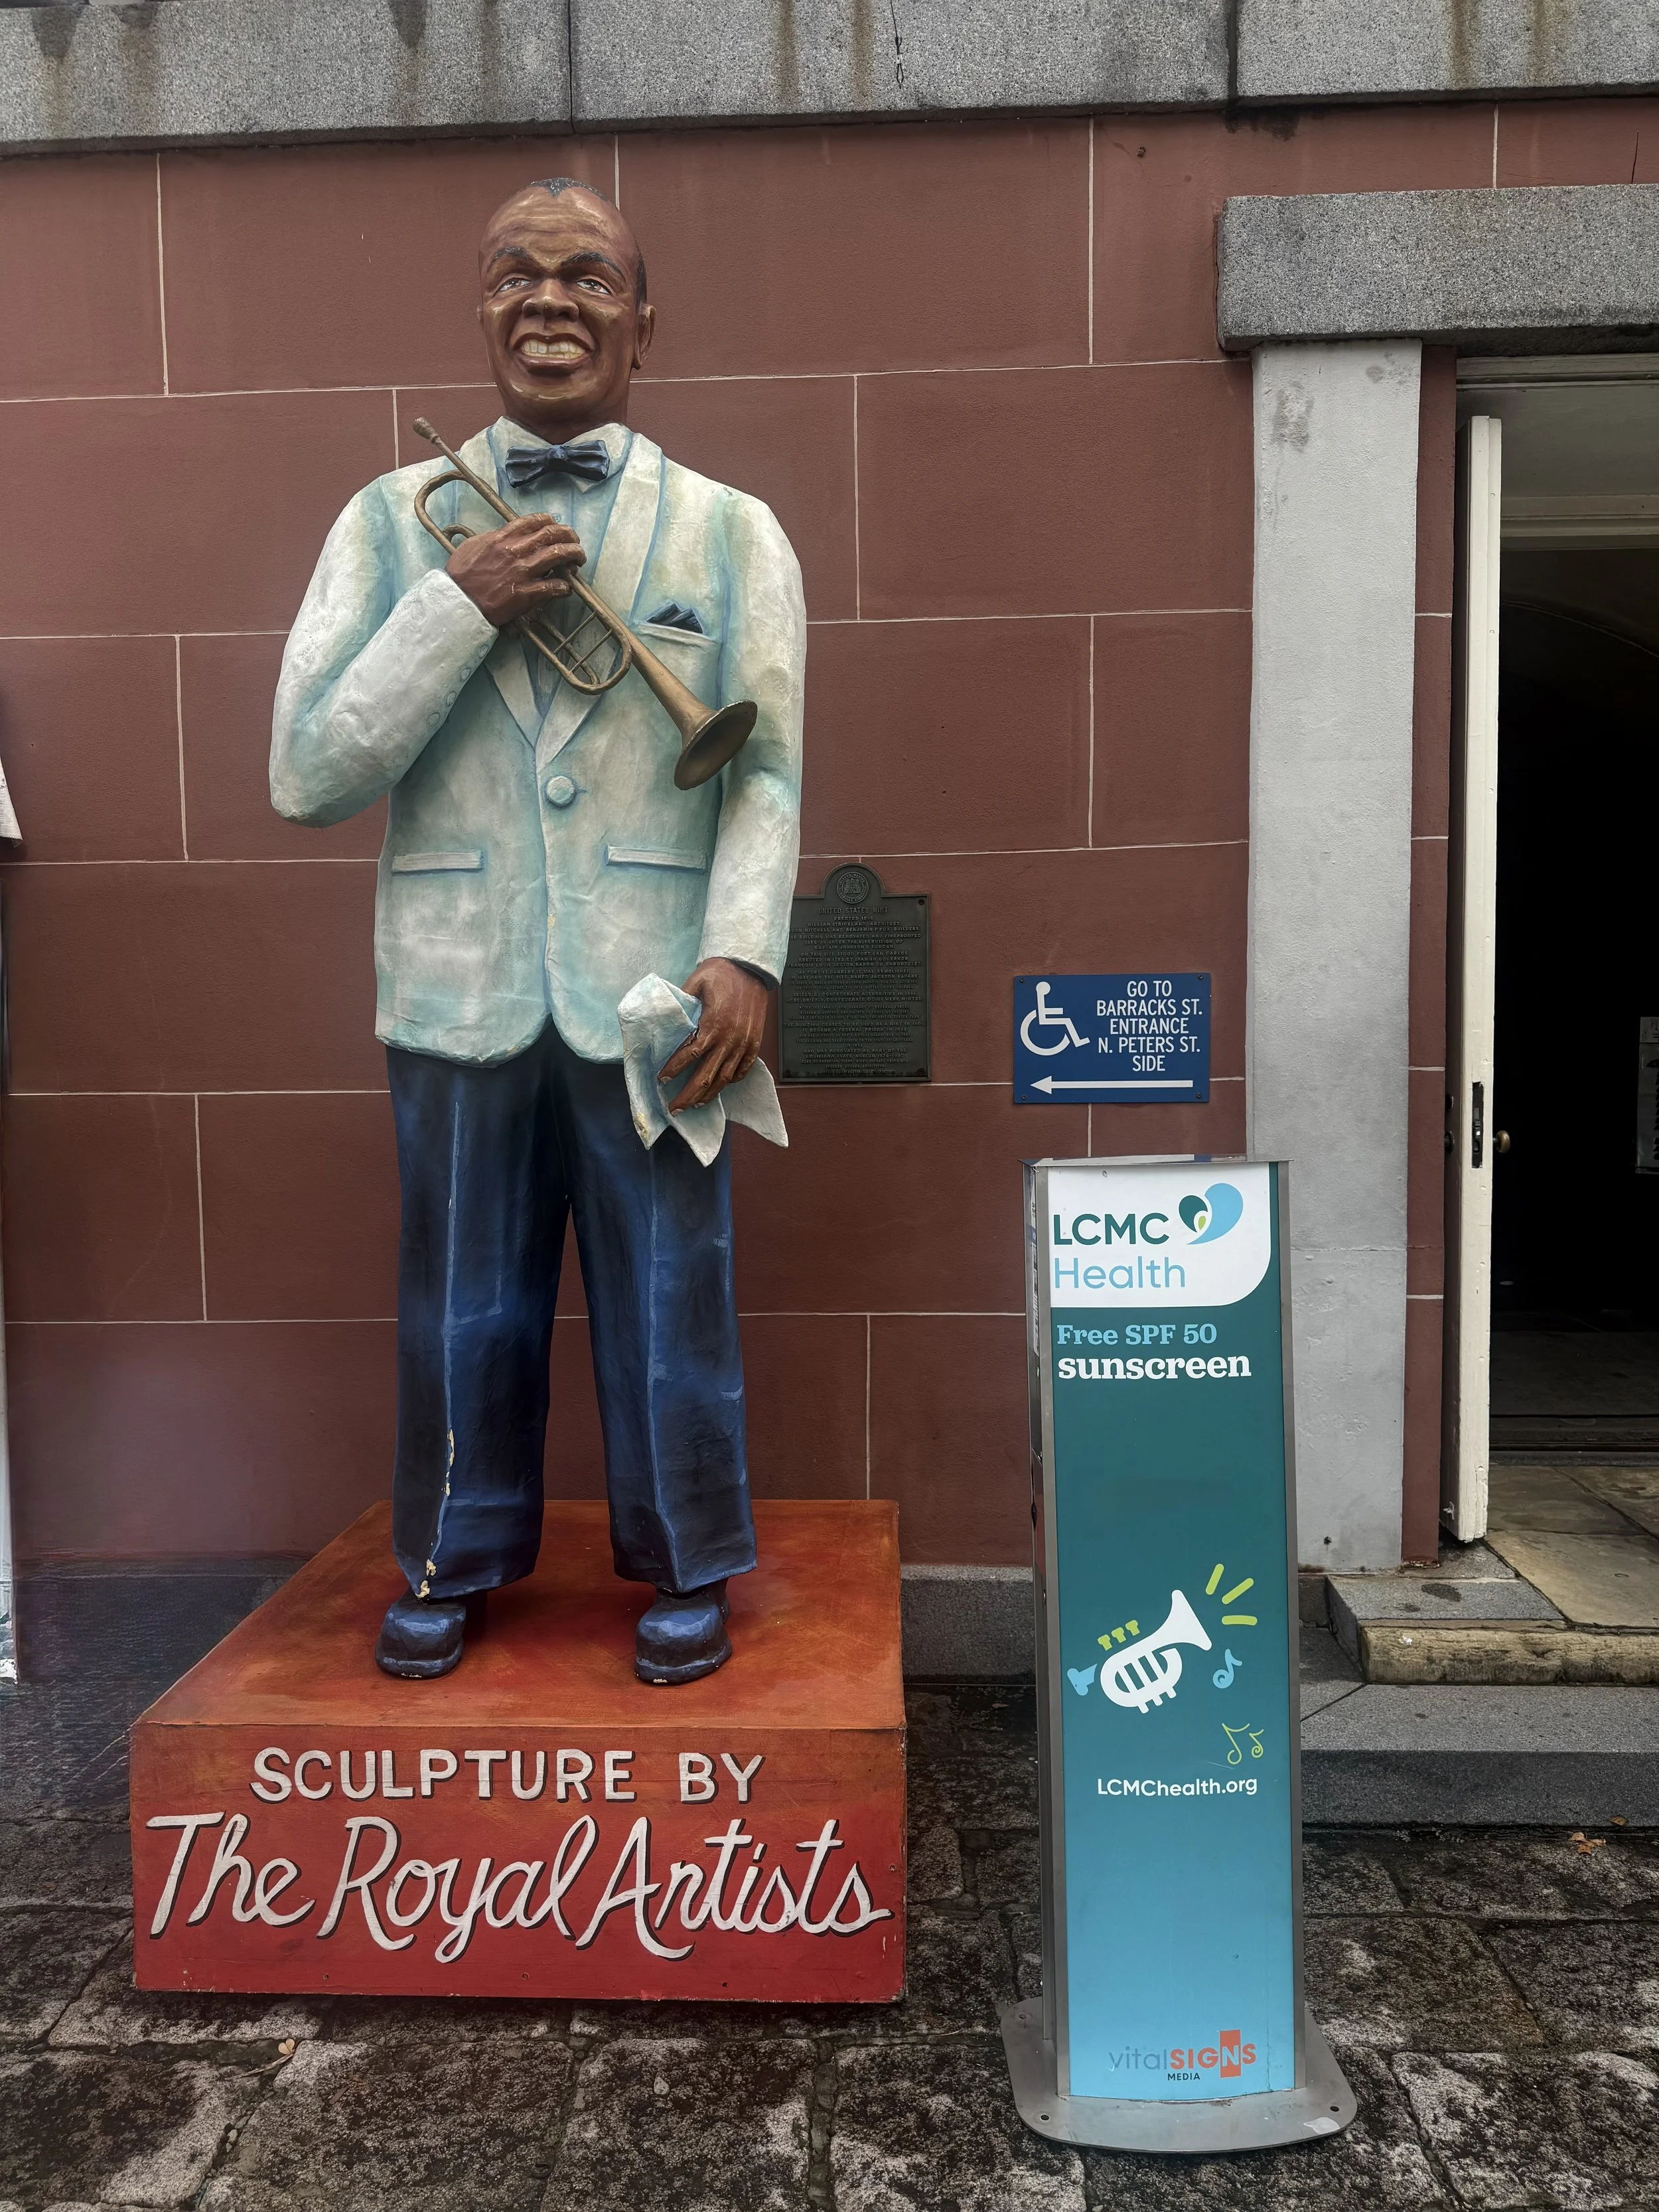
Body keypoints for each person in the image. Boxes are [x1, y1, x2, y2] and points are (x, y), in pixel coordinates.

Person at [270, 179, 804, 1686]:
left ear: (644, 316)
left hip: (653, 984)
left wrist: (745, 952)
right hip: (458, 983)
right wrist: (455, 600)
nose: (549, 301)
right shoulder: (387, 525)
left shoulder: (730, 528)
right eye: (516, 275)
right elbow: (305, 772)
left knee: (667, 1296)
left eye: (586, 276)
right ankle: (450, 1557)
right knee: (461, 1295)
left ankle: (690, 1556)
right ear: (480, 306)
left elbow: (762, 769)